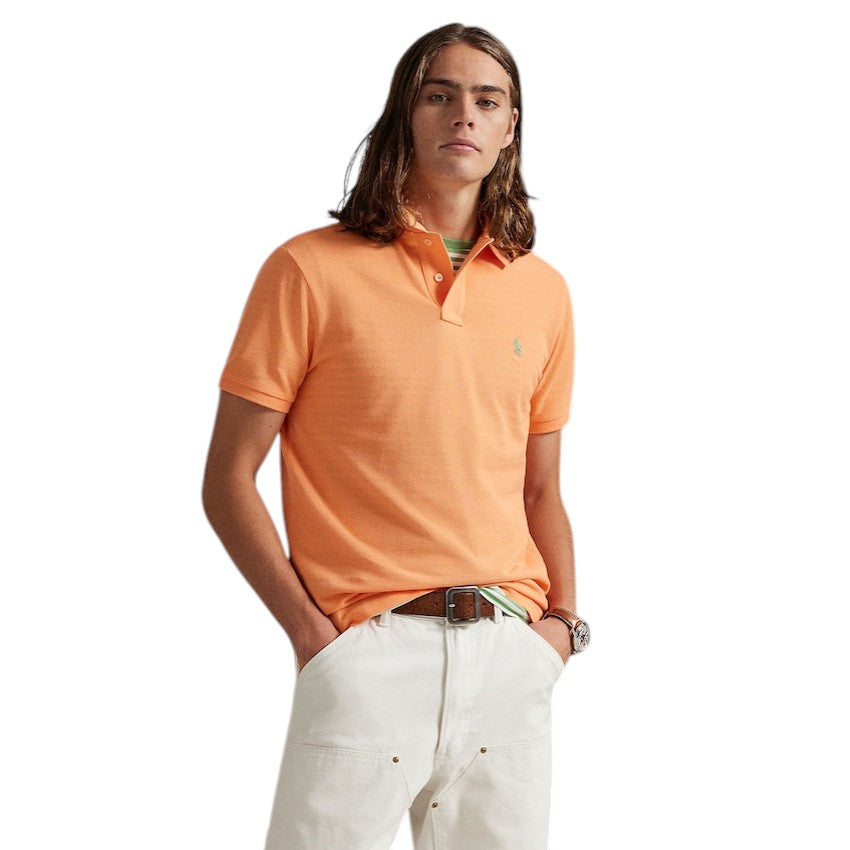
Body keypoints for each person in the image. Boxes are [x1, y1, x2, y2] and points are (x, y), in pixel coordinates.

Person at [202, 21, 590, 850]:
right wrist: (313, 636)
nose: (465, 114)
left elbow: (541, 487)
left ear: (510, 127)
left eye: (487, 100)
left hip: (510, 657)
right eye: (440, 94)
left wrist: (561, 629)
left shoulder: (544, 292)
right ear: (405, 115)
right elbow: (229, 478)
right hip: (367, 655)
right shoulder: (308, 270)